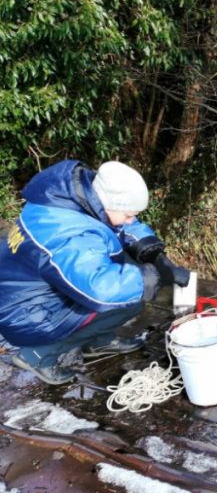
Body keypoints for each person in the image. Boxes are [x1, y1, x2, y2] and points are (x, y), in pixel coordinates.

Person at [0, 160, 189, 385]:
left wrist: (155, 255)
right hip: (24, 314)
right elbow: (101, 291)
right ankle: (38, 356)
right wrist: (157, 278)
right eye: (129, 214)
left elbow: (121, 225)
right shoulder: (69, 236)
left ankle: (98, 341)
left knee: (129, 269)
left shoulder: (73, 199)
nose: (131, 220)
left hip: (24, 292)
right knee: (130, 299)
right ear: (107, 204)